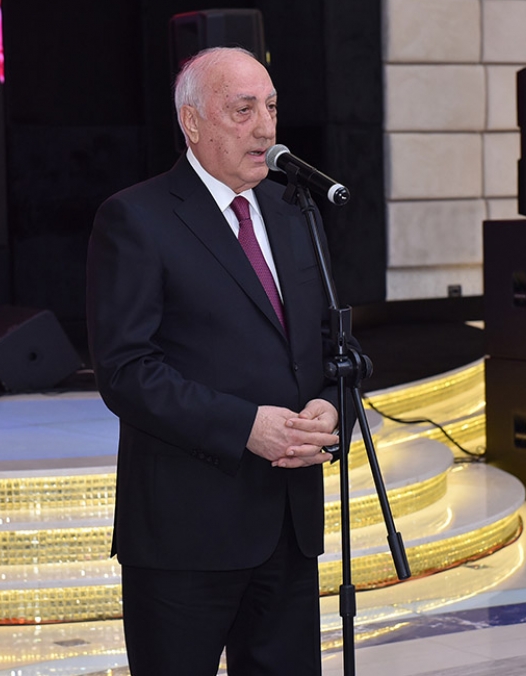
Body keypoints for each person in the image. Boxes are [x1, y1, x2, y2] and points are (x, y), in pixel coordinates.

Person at [86, 46, 347, 676]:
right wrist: (245, 426)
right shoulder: (136, 218)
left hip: (289, 526)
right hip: (185, 534)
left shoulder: (295, 212)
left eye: (272, 108)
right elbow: (126, 371)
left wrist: (330, 404)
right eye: (243, 110)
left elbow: (337, 349)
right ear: (192, 121)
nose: (265, 128)